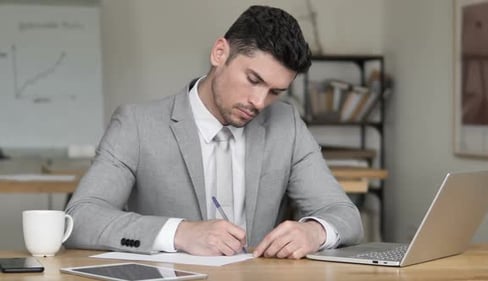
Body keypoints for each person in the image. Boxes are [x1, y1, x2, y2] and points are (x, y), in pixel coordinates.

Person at [64, 5, 363, 259]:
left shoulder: (287, 125)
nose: (259, 102)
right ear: (220, 53)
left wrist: (314, 231)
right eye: (253, 79)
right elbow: (80, 218)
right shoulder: (137, 125)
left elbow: (345, 214)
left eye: (275, 91)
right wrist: (179, 233)